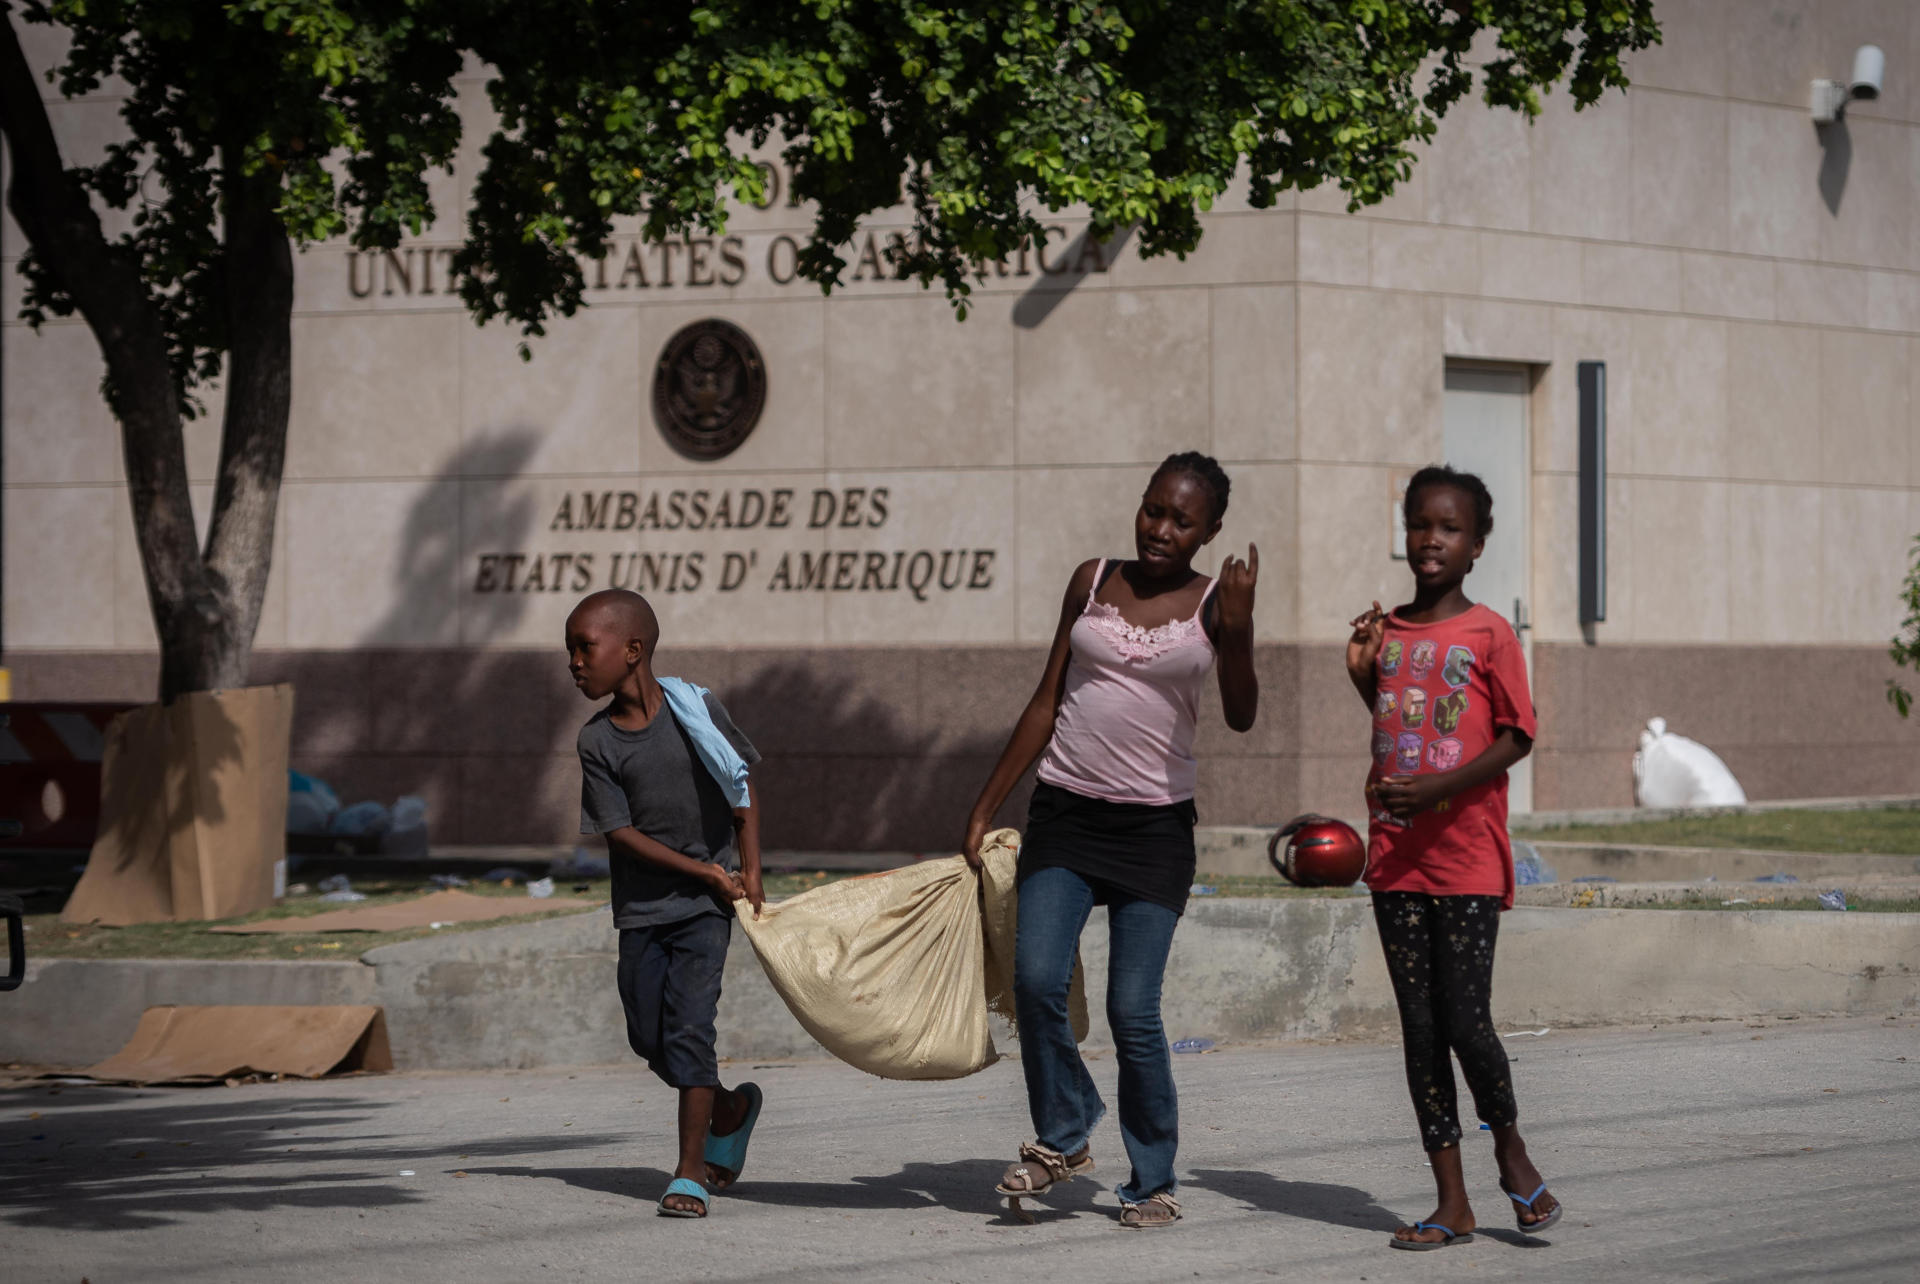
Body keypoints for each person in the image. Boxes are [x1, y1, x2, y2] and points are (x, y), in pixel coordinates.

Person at [962, 452, 1258, 1229]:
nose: (1162, 529)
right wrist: (988, 803)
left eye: (1182, 520)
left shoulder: (1212, 604)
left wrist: (1244, 621)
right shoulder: (1091, 580)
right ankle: (1064, 1135)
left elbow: (1241, 714)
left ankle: (1153, 1180)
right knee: (1034, 981)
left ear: (1211, 530)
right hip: (1065, 814)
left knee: (1133, 1012)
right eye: (1154, 509)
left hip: (1155, 831)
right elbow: (1046, 698)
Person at [1344, 465, 1559, 1250]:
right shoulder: (1389, 631)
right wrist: (1364, 677)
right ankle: (1451, 1201)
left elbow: (1516, 735)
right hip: (1397, 860)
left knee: (1467, 1021)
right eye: (1420, 525)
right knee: (1420, 1029)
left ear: (1476, 544)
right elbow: (1401, 721)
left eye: (1450, 528)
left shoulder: (1490, 633)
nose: (1431, 539)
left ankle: (1510, 1146)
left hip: (1465, 856)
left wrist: (1438, 789)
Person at [567, 587, 767, 1219]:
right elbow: (620, 834)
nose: (574, 662)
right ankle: (731, 1109)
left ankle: (689, 1173)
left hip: (705, 910)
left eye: (583, 648)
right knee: (648, 1038)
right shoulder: (596, 742)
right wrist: (701, 870)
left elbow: (739, 787)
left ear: (632, 651)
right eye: (569, 650)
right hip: (644, 909)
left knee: (689, 1028)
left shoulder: (695, 707)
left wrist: (748, 871)